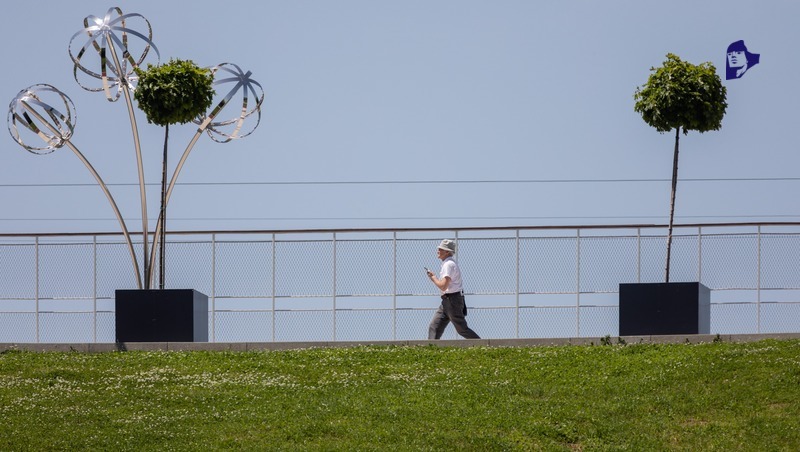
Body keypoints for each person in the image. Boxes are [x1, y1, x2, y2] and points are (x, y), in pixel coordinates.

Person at [426, 239, 480, 340]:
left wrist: (433, 278)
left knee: (462, 329)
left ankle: (483, 346)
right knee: (434, 327)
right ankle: (431, 349)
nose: (438, 250)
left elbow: (443, 286)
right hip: (447, 300)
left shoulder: (448, 265)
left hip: (452, 300)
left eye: (440, 249)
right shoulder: (448, 264)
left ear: (447, 252)